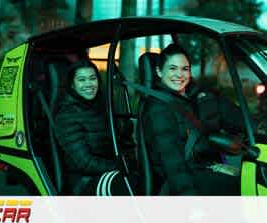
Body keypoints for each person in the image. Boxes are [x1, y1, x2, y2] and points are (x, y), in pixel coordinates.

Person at [142, 44, 246, 195]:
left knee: (254, 178)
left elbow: (234, 117)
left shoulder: (198, 97)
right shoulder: (158, 109)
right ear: (159, 71)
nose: (179, 74)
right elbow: (172, 163)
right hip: (182, 181)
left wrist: (260, 130)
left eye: (185, 69)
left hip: (206, 167)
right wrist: (190, 200)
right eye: (172, 68)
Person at [54, 59, 134, 195]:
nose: (88, 84)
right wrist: (121, 166)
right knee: (130, 185)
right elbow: (84, 162)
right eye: (81, 80)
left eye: (92, 78)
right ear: (72, 84)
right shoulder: (66, 116)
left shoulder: (101, 107)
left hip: (106, 170)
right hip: (84, 181)